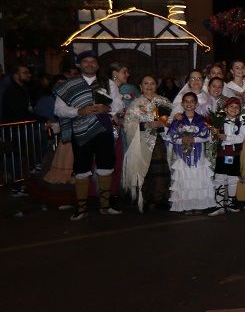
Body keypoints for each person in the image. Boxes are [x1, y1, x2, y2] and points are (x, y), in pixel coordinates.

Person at [54, 51, 125, 220]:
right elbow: (58, 109)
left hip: (103, 129)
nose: (89, 64)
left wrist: (107, 108)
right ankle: (82, 208)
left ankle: (105, 206)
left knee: (106, 166)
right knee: (81, 169)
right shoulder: (69, 85)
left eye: (93, 61)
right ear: (79, 65)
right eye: (85, 61)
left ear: (98, 65)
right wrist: (79, 110)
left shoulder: (107, 83)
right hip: (80, 131)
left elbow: (119, 104)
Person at [121, 74, 172, 211]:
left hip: (161, 141)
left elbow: (172, 121)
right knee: (145, 170)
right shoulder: (135, 104)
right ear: (141, 86)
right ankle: (145, 199)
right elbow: (128, 124)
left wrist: (164, 124)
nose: (149, 86)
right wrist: (145, 125)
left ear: (156, 86)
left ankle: (161, 198)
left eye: (152, 83)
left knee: (162, 170)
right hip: (142, 141)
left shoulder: (164, 102)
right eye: (146, 83)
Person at [164, 91, 213, 214]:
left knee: (197, 178)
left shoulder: (201, 119)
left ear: (196, 104)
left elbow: (207, 136)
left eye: (192, 101)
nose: (189, 104)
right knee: (185, 179)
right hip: (182, 155)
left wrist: (194, 139)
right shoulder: (178, 120)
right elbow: (170, 137)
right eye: (186, 102)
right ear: (182, 104)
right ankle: (186, 205)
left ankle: (198, 205)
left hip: (198, 154)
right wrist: (182, 140)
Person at [211, 97, 245, 215]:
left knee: (233, 179)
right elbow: (214, 137)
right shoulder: (218, 122)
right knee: (219, 177)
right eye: (231, 106)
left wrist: (227, 138)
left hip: (234, 155)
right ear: (225, 109)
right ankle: (219, 205)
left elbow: (241, 138)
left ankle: (231, 203)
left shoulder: (242, 123)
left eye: (237, 107)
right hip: (222, 154)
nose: (234, 109)